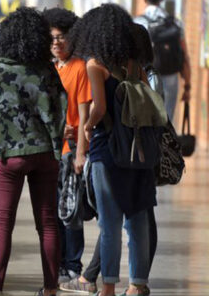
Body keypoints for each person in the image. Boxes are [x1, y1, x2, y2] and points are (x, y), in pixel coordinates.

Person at [59, 23, 161, 295]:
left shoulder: (95, 65)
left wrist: (88, 125)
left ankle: (108, 287)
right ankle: (137, 284)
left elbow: (100, 107)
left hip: (109, 151)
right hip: (138, 150)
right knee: (138, 218)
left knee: (110, 223)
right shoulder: (133, 64)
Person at [0, 7, 67, 296]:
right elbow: (56, 109)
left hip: (9, 155)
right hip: (44, 152)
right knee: (48, 223)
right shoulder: (46, 68)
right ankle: (51, 287)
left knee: (1, 224)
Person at [42, 8, 91, 283]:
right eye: (52, 39)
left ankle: (73, 263)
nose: (57, 43)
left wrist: (81, 152)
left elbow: (84, 115)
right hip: (49, 150)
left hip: (70, 149)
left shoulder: (80, 67)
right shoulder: (47, 68)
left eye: (61, 37)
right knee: (51, 211)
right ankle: (58, 262)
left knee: (70, 210)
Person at [134, 0, 191, 121]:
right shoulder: (174, 23)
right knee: (167, 116)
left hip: (145, 75)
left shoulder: (138, 23)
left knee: (147, 117)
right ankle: (164, 141)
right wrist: (187, 85)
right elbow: (184, 56)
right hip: (170, 74)